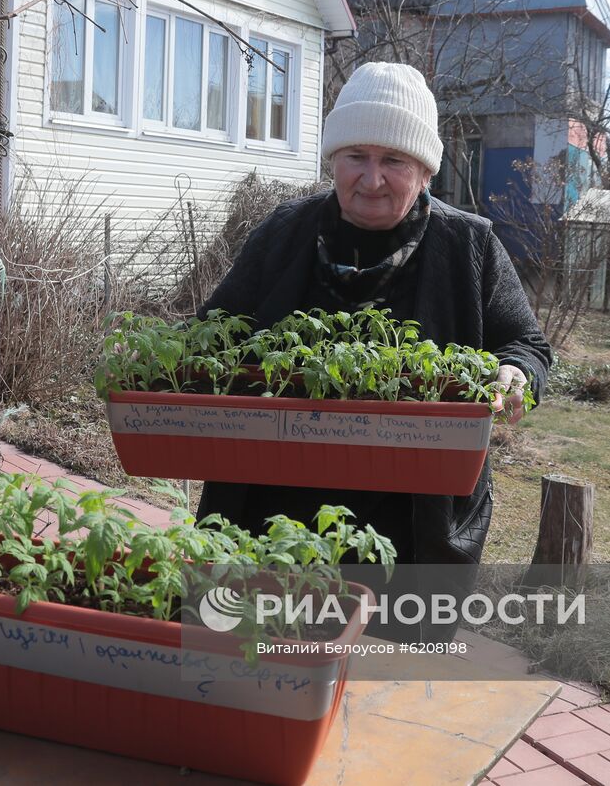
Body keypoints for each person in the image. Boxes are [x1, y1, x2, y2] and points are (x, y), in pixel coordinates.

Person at [196, 62, 553, 640]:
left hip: (410, 514)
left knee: (389, 667)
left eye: (394, 161)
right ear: (332, 159)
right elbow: (213, 329)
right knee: (265, 642)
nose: (372, 178)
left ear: (425, 171)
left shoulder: (469, 244)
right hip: (273, 496)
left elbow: (527, 343)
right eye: (355, 156)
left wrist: (515, 373)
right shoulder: (285, 231)